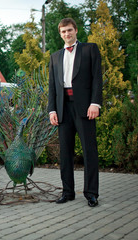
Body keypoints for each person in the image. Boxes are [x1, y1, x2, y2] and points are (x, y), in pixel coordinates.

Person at [48, 18, 102, 207]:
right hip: (63, 109)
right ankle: (68, 192)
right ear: (60, 34)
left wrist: (95, 103)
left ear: (76, 30)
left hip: (85, 108)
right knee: (65, 154)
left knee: (89, 151)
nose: (66, 34)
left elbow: (97, 78)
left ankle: (91, 193)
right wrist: (52, 109)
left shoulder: (90, 49)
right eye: (63, 32)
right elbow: (52, 86)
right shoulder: (55, 57)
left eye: (69, 30)